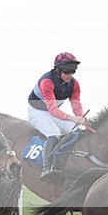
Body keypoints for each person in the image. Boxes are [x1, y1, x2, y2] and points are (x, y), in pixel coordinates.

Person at [28, 52, 87, 181]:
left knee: (76, 129)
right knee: (53, 132)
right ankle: (46, 168)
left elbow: (76, 105)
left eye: (73, 71)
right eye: (67, 71)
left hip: (51, 112)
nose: (70, 75)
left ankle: (65, 160)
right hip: (37, 111)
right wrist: (72, 118)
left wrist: (82, 118)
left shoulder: (74, 84)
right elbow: (53, 109)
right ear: (57, 69)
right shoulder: (47, 81)